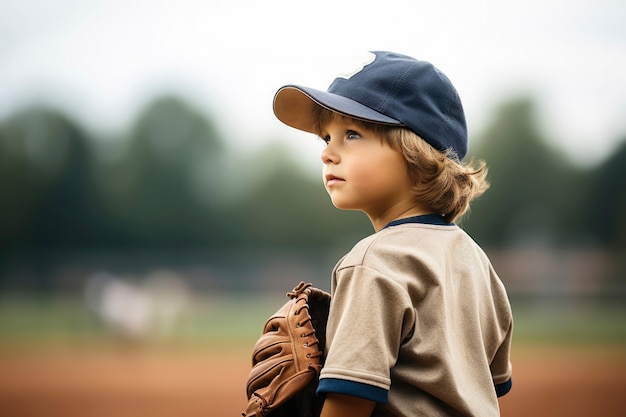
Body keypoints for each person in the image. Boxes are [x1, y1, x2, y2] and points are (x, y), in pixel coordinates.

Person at [272, 51, 513, 417]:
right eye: (326, 138)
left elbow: (349, 404)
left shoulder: (371, 263)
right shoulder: (476, 260)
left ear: (417, 153)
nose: (327, 154)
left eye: (352, 134)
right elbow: (491, 385)